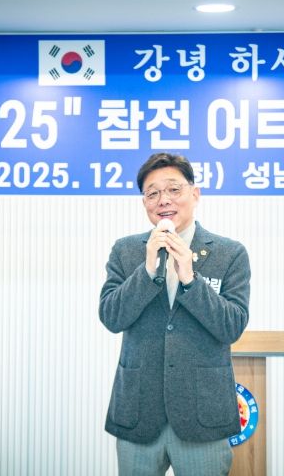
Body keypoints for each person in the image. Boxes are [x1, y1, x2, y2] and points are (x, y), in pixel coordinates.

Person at [99, 152, 251, 476]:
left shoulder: (229, 253)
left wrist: (191, 281)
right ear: (144, 203)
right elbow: (111, 317)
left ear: (194, 194)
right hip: (138, 413)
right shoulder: (126, 251)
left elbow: (232, 326)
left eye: (173, 189)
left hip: (202, 415)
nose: (163, 200)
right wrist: (146, 271)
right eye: (152, 193)